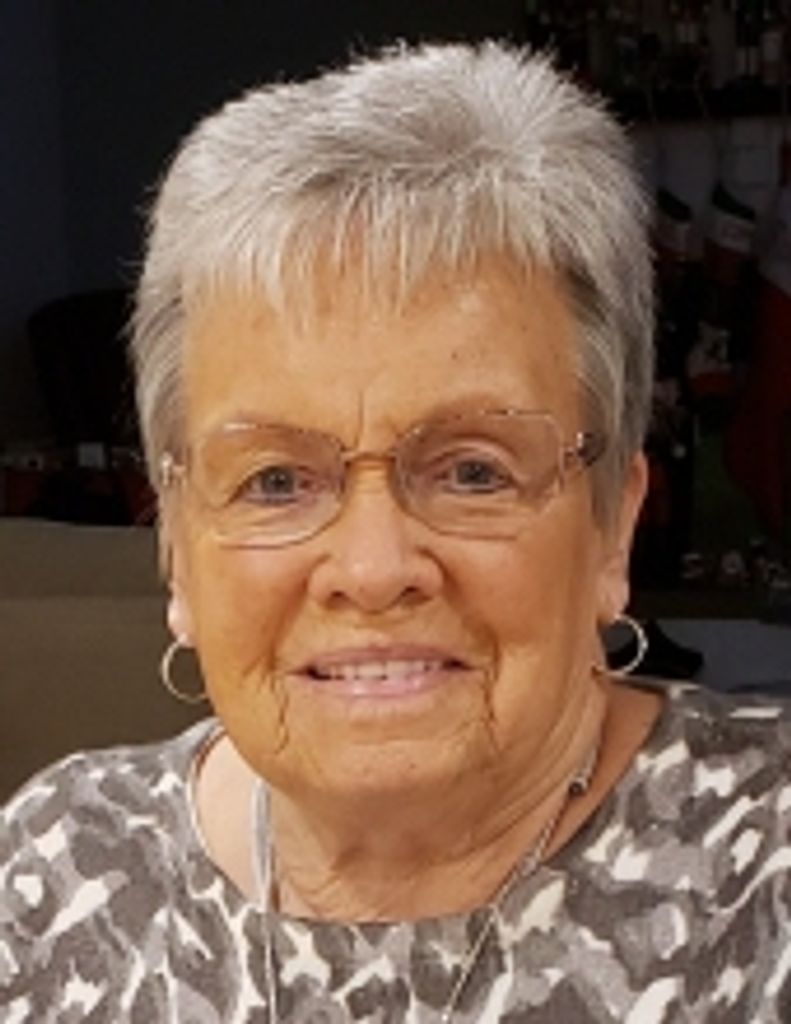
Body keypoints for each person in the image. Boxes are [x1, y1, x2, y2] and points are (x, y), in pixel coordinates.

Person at [2, 41, 791, 1023]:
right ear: (176, 549)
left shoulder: (764, 879)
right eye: (276, 481)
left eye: (471, 471)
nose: (372, 569)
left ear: (611, 528)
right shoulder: (58, 873)